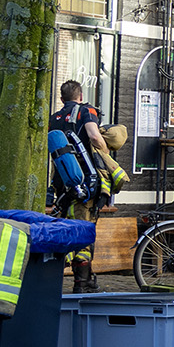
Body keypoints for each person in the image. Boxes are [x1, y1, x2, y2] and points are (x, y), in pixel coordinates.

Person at [52, 81, 128, 293]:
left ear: (61, 99)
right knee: (83, 229)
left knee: (70, 226)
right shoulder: (86, 111)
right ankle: (81, 283)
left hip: (62, 183)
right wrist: (104, 154)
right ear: (81, 95)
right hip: (85, 182)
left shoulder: (54, 118)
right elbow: (94, 135)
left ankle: (86, 278)